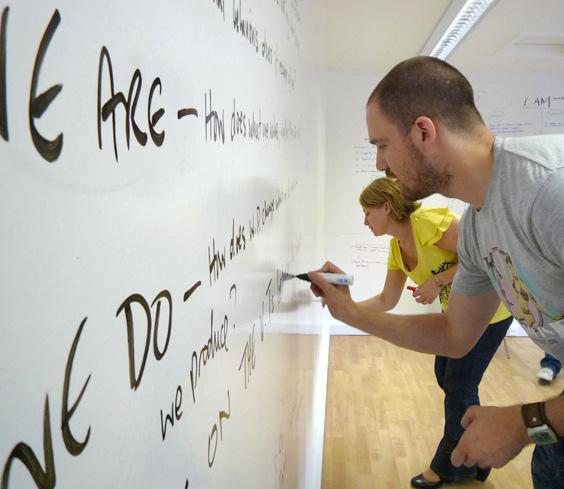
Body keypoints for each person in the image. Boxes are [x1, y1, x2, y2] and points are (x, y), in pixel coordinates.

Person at [308, 56, 564, 489]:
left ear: (423, 131)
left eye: (382, 145)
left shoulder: (548, 191)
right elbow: (455, 334)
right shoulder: (479, 227)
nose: (378, 164)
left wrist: (526, 422)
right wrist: (350, 314)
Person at [358, 177, 512, 487]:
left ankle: (447, 466)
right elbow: (386, 300)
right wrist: (345, 307)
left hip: (490, 313)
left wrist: (437, 282)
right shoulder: (396, 247)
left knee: (458, 386)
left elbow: (480, 254)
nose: (364, 221)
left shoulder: (425, 222)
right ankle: (479, 455)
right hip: (456, 316)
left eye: (367, 213)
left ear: (386, 207)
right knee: (447, 376)